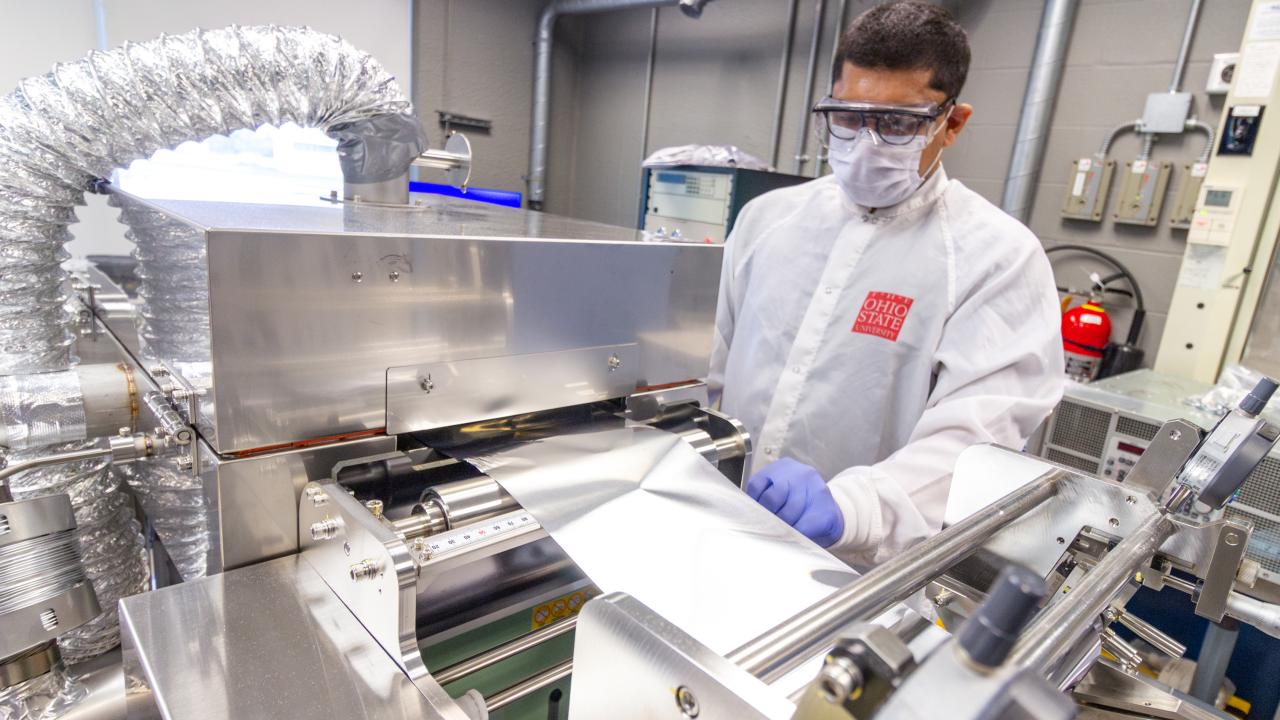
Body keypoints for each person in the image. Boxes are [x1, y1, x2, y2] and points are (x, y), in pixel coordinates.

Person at [709, 1, 1064, 567]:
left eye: (899, 123)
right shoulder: (766, 220)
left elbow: (973, 444)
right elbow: (716, 371)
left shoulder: (997, 257)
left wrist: (851, 507)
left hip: (861, 568)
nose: (866, 142)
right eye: (848, 117)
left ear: (952, 123)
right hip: (721, 524)